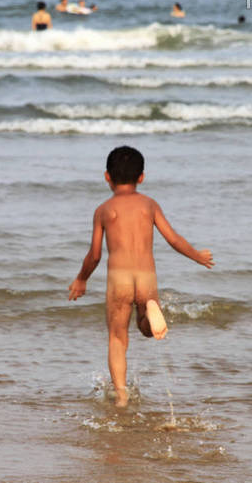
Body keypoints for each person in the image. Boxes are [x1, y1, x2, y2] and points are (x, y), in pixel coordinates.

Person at [68, 146, 214, 407]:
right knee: (146, 330)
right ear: (142, 177)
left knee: (117, 337)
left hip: (119, 280)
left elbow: (95, 255)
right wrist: (197, 256)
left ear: (107, 177)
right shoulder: (149, 205)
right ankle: (149, 310)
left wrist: (81, 279)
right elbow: (173, 239)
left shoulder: (104, 210)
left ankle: (121, 396)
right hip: (146, 277)